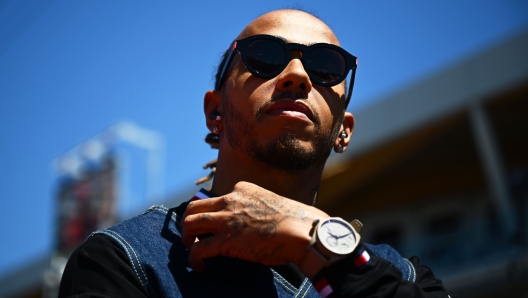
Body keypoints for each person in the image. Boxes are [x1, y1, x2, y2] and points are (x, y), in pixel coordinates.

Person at [59, 9, 453, 298]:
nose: (297, 75)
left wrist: (312, 241)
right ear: (216, 112)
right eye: (264, 57)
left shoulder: (405, 277)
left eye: (326, 67)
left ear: (343, 131)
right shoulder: (121, 261)